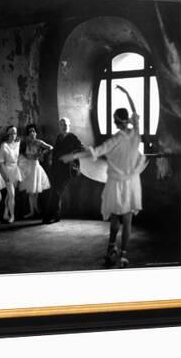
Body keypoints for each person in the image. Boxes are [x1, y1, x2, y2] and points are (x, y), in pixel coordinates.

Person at [62, 86, 147, 267]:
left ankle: (111, 247)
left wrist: (73, 156)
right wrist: (127, 93)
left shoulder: (116, 139)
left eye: (114, 120)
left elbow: (95, 151)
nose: (114, 123)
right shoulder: (136, 133)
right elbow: (136, 113)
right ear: (128, 120)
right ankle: (123, 254)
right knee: (127, 220)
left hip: (116, 183)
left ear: (117, 121)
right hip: (131, 183)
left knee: (115, 218)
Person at [43, 117, 84, 224]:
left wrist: (70, 156)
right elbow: (56, 152)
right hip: (57, 169)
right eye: (62, 125)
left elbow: (81, 149)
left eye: (66, 124)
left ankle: (49, 216)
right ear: (59, 126)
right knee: (55, 192)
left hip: (67, 170)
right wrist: (52, 160)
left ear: (69, 125)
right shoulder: (59, 137)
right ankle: (56, 215)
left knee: (56, 192)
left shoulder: (72, 137)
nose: (64, 126)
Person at [19, 124, 53, 219]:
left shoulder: (39, 142)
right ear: (27, 134)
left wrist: (41, 153)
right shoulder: (25, 143)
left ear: (36, 133)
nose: (32, 133)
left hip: (36, 167)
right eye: (30, 132)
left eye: (33, 131)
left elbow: (50, 147)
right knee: (31, 192)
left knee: (36, 191)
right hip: (28, 168)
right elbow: (22, 154)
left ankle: (35, 210)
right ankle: (32, 211)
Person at [0, 125, 22, 223]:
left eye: (15, 133)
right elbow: (0, 162)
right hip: (6, 169)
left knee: (9, 195)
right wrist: (5, 174)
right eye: (11, 133)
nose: (13, 135)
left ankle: (5, 212)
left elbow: (18, 158)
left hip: (15, 169)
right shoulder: (4, 145)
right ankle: (12, 216)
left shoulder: (18, 143)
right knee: (12, 194)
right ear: (7, 134)